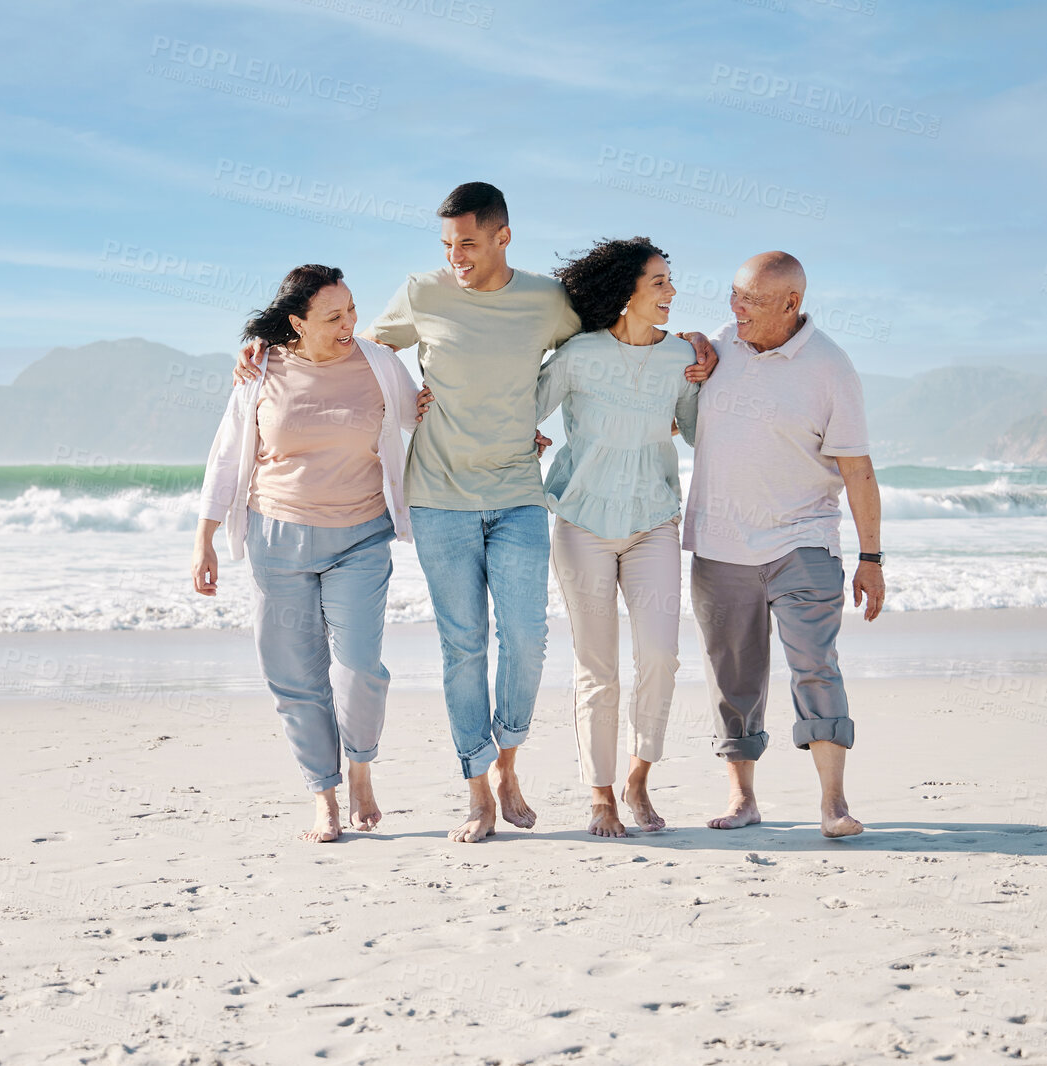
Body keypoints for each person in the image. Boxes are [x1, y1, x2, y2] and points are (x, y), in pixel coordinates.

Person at [236, 183, 717, 843]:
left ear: (501, 237)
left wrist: (686, 340)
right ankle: (476, 791)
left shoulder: (545, 302)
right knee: (462, 648)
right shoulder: (423, 292)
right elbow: (354, 348)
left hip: (518, 493)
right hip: (439, 498)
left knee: (525, 640)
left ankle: (508, 763)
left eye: (466, 241)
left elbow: (617, 335)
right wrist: (269, 350)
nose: (455, 256)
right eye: (446, 244)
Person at [193, 264, 421, 843]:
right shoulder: (260, 369)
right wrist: (205, 537)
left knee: (360, 667)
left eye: (351, 311)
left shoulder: (378, 363)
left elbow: (424, 417)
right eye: (334, 317)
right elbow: (226, 454)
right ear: (297, 322)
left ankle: (361, 767)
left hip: (361, 537)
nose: (350, 325)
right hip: (277, 539)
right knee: (294, 678)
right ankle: (324, 794)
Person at [683, 251, 884, 839]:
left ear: (791, 304)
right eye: (734, 294)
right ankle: (743, 798)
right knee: (733, 679)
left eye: (751, 299)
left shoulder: (830, 368)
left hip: (803, 541)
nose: (735, 307)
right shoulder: (722, 342)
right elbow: (672, 406)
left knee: (815, 667)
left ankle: (833, 802)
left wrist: (871, 558)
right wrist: (689, 342)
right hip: (720, 545)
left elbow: (858, 470)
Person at [538, 238, 699, 837]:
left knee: (660, 655)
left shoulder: (680, 355)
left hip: (654, 520)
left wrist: (715, 368)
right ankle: (601, 795)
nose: (671, 292)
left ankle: (639, 777)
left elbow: (701, 430)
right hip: (582, 522)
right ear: (624, 292)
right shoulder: (578, 355)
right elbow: (522, 407)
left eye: (669, 280)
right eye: (658, 282)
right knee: (596, 666)